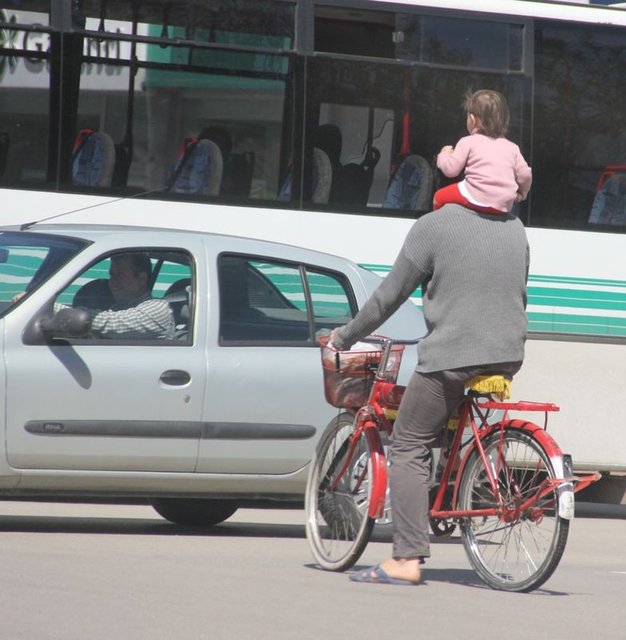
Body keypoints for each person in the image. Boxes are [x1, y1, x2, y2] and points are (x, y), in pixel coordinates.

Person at [329, 202, 529, 586]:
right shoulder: (515, 226)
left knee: (408, 443)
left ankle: (405, 556)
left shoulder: (433, 226)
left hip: (453, 356)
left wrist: (346, 336)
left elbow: (389, 296)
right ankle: (456, 482)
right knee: (445, 417)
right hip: (508, 353)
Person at [433, 89, 532, 215]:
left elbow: (450, 170)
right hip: (504, 203)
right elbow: (525, 174)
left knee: (439, 197)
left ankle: (440, 228)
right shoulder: (513, 148)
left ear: (472, 119)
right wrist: (522, 193)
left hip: (475, 196)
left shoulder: (468, 141)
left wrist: (444, 154)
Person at [86, 253, 175, 340]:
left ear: (142, 279)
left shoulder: (159, 308)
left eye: (121, 275)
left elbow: (112, 324)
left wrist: (76, 315)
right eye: (112, 275)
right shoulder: (116, 309)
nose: (113, 282)